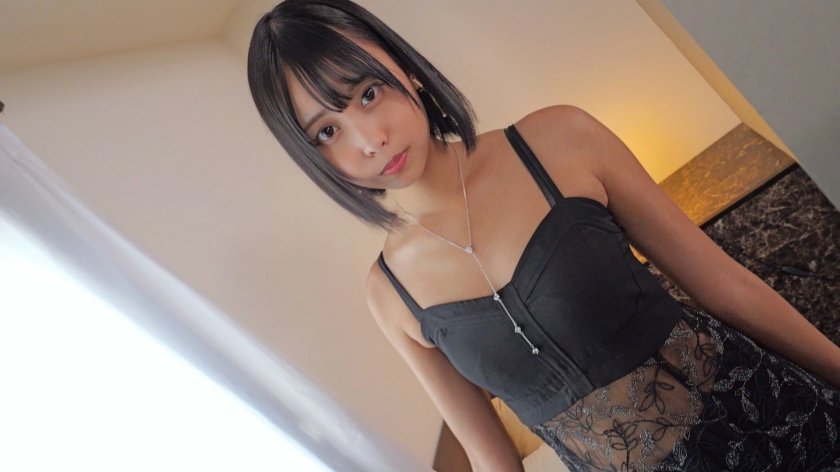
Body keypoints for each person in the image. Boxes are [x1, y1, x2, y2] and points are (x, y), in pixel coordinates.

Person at [247, 1, 840, 470]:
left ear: (405, 70)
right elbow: (491, 458)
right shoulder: (391, 294)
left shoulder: (558, 141)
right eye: (327, 132)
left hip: (774, 423)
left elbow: (724, 286)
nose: (369, 139)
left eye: (368, 93)